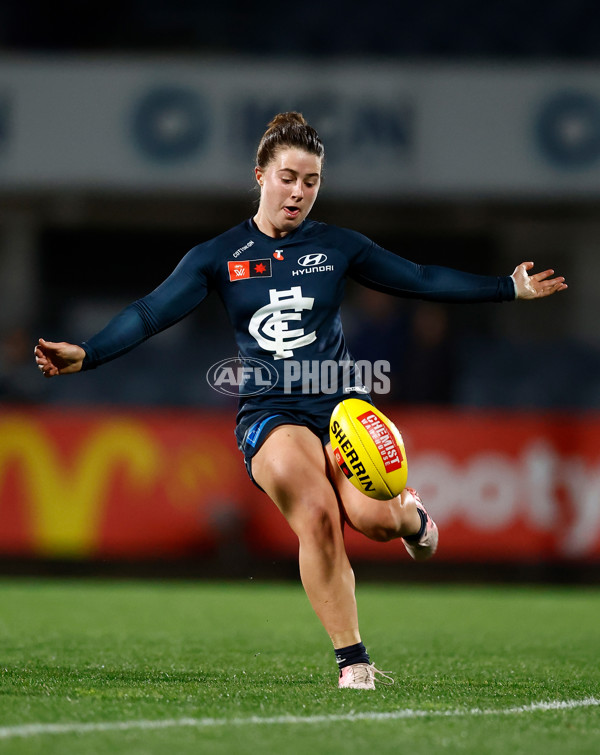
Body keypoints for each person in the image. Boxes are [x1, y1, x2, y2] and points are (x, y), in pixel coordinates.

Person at [34, 112, 567, 690]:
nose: (298, 192)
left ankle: (410, 517)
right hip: (269, 413)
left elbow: (419, 278)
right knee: (316, 516)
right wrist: (86, 353)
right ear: (259, 174)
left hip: (339, 408)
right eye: (288, 177)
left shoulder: (339, 246)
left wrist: (506, 287)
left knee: (374, 521)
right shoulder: (217, 256)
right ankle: (354, 663)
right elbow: (149, 313)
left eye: (311, 181)